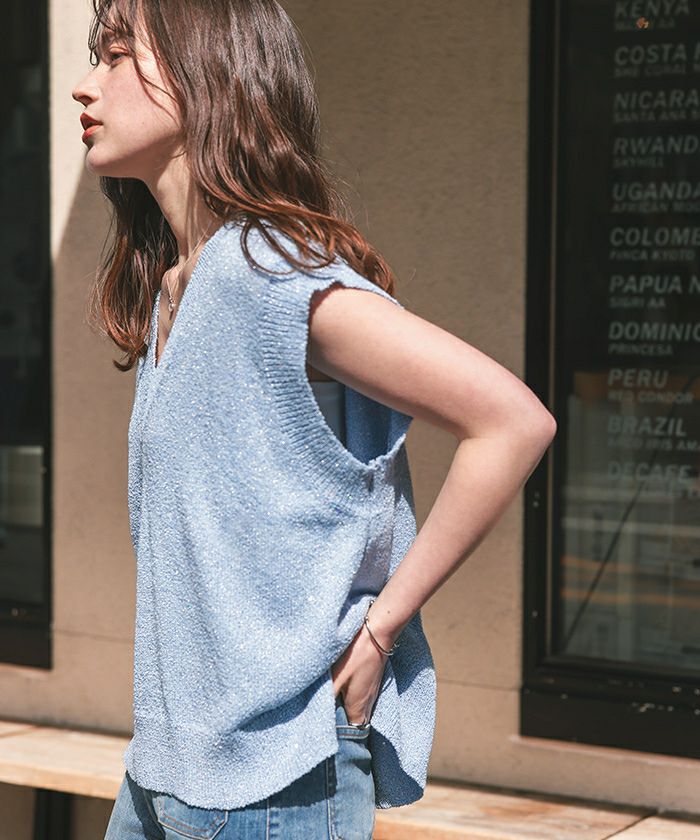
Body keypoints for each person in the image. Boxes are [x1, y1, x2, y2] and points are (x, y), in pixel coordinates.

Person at [71, 1, 557, 838]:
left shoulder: (263, 272)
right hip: (164, 767)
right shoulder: (177, 287)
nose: (86, 86)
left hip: (276, 781)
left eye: (117, 56)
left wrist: (381, 632)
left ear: (204, 72)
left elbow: (512, 421)